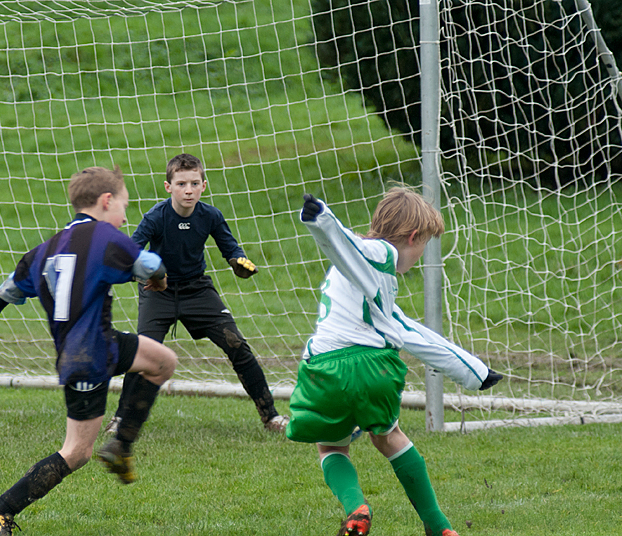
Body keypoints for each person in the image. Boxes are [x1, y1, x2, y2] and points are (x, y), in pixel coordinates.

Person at [0, 166, 177, 536]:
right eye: (124, 205)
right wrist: (157, 281)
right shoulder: (106, 237)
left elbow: (11, 287)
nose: (126, 216)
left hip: (93, 347)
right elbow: (151, 263)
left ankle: (123, 444)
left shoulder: (46, 248)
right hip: (89, 356)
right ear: (106, 201)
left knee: (162, 361)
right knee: (76, 451)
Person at [287, 189, 503, 536]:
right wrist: (321, 218)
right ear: (413, 237)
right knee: (389, 436)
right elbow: (349, 245)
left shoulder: (364, 281)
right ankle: (439, 526)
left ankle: (356, 506)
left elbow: (408, 329)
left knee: (330, 445)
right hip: (375, 367)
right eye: (424, 246)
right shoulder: (379, 252)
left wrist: (473, 370)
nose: (418, 257)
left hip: (324, 367)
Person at [106, 153, 288, 434]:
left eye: (194, 183)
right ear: (168, 187)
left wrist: (239, 263)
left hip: (197, 289)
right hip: (159, 291)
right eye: (181, 184)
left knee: (237, 344)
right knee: (145, 353)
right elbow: (130, 253)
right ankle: (121, 421)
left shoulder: (211, 215)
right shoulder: (155, 217)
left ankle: (271, 417)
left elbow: (231, 250)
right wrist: (145, 274)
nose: (188, 190)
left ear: (204, 185)